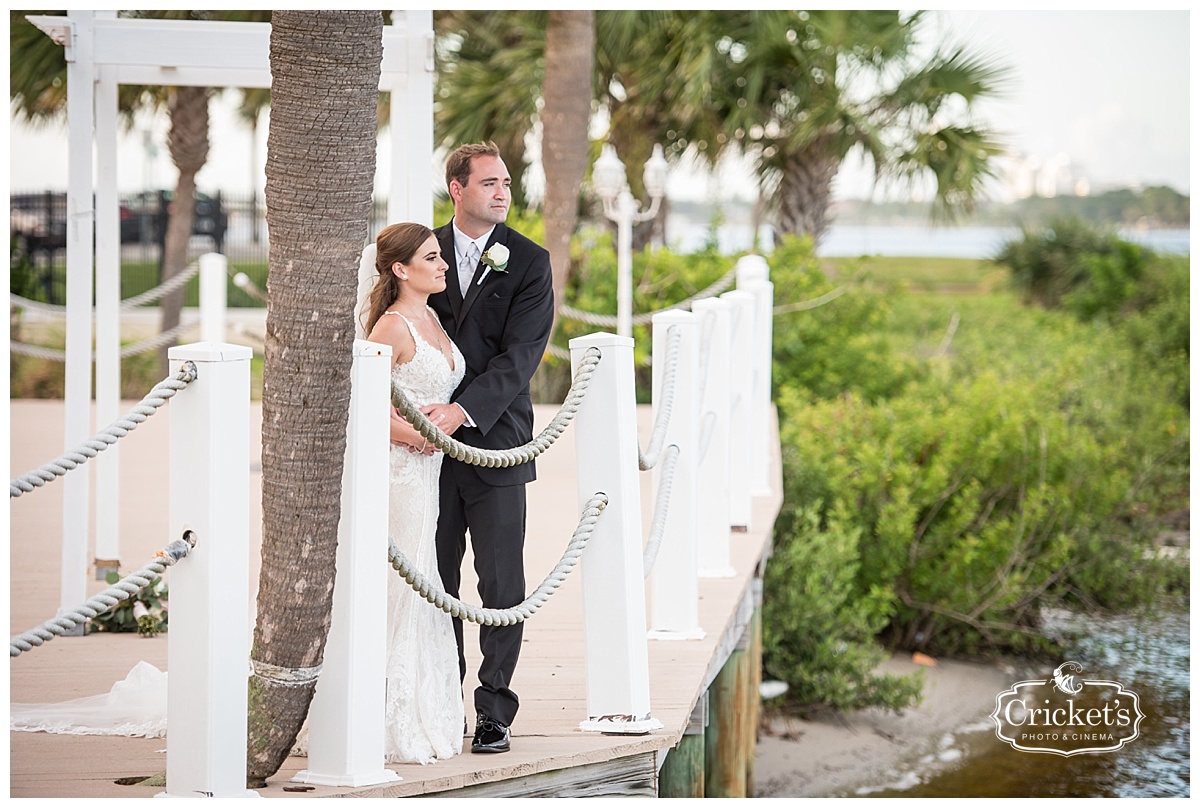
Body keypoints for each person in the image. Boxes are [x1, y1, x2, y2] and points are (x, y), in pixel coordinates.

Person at [420, 142, 555, 754]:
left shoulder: (529, 261)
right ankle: (442, 697)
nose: (502, 192)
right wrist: (429, 417)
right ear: (457, 188)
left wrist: (463, 410)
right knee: (436, 579)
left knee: (502, 585)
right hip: (424, 446)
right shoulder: (423, 252)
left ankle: (494, 708)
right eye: (489, 182)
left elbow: (520, 356)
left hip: (498, 440)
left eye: (507, 182)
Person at [363, 222, 466, 764]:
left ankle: (426, 704)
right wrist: (420, 436)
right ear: (401, 270)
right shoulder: (392, 327)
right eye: (432, 257)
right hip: (400, 470)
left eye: (441, 255)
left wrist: (441, 430)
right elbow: (365, 405)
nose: (443, 263)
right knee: (400, 583)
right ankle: (384, 713)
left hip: (427, 472)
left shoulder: (433, 319)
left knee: (422, 578)